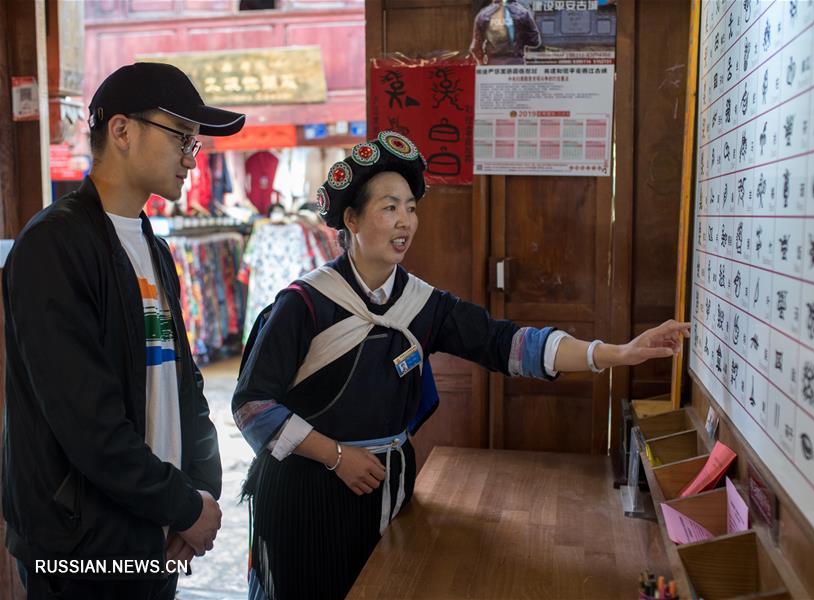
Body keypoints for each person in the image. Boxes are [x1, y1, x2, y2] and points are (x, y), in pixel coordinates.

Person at [232, 130, 691, 600]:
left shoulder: (421, 303)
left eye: (411, 207)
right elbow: (252, 407)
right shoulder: (304, 304)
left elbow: (506, 343)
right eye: (389, 207)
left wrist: (615, 353)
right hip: (309, 494)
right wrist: (336, 456)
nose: (404, 221)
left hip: (387, 487)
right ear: (351, 218)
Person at [2, 62, 246, 600]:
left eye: (195, 143)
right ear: (121, 130)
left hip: (152, 530)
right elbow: (87, 421)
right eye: (181, 135)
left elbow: (186, 386)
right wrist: (182, 505)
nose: (190, 156)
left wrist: (198, 494)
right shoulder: (53, 247)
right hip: (80, 547)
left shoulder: (153, 248)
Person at [470, 0, 542, 65]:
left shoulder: (483, 15)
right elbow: (535, 41)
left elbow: (475, 48)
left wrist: (482, 64)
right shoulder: (523, 13)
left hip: (493, 66)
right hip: (516, 66)